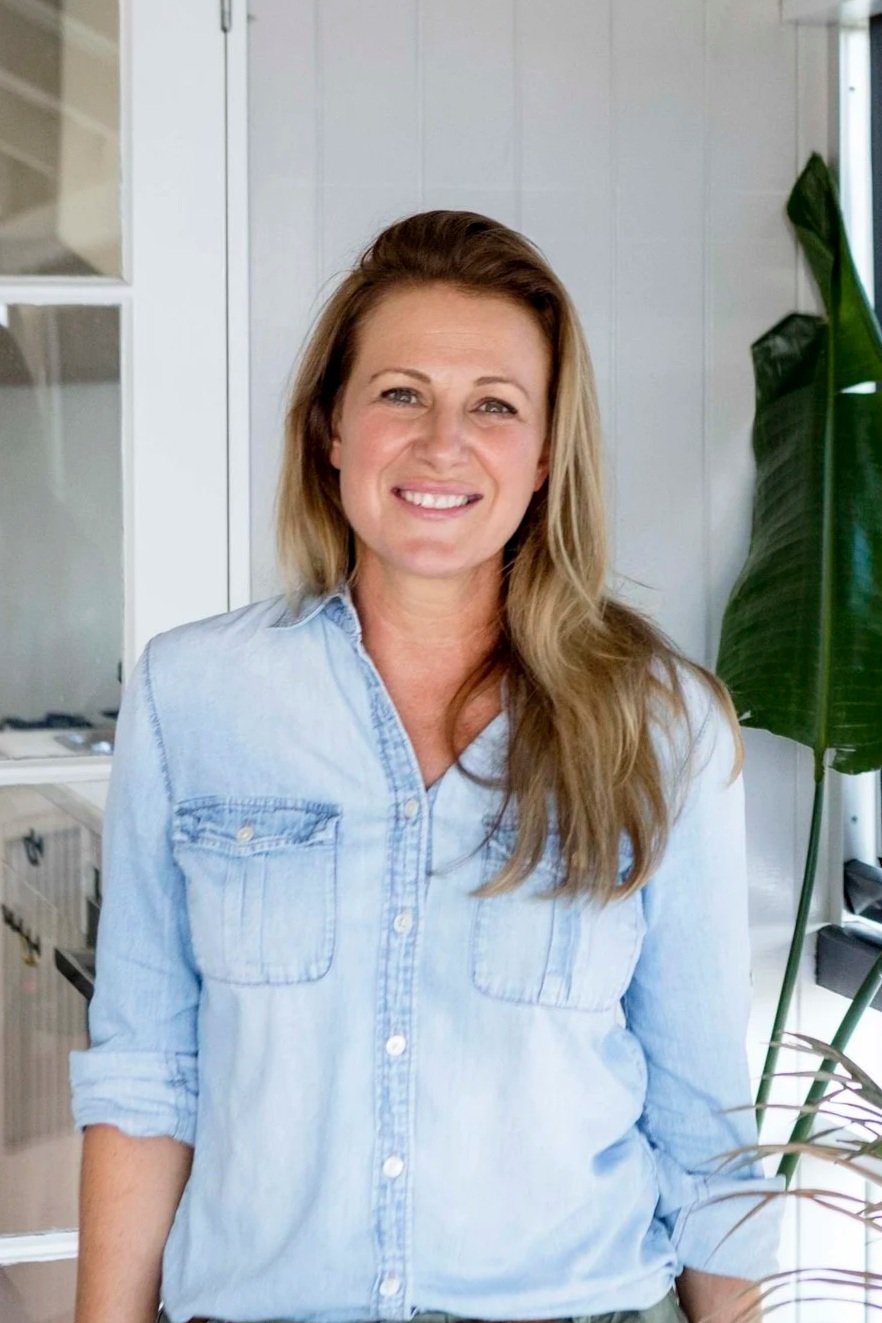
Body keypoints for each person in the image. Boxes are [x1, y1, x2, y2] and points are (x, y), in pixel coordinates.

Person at [70, 211, 784, 1323]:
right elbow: (144, 1080)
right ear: (331, 431)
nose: (443, 442)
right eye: (402, 393)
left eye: (494, 405)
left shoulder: (663, 725)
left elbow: (706, 1124)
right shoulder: (193, 697)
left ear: (546, 454)